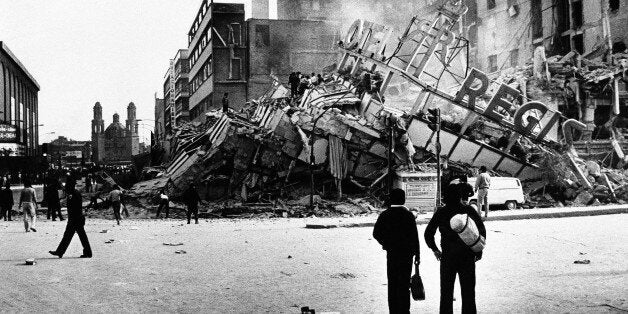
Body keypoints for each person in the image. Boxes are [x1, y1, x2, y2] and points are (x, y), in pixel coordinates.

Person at [424, 182, 486, 314]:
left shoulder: (441, 212)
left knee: (446, 293)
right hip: (467, 256)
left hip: (448, 258)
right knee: (468, 292)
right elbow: (482, 230)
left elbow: (428, 234)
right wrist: (478, 250)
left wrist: (435, 250)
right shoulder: (468, 210)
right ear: (459, 196)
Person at [373, 188, 421, 314]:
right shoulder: (408, 215)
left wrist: (386, 244)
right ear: (404, 199)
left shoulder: (385, 214)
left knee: (393, 284)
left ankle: (393, 310)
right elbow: (415, 237)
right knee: (404, 284)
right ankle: (405, 310)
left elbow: (376, 233)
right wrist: (417, 255)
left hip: (392, 254)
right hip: (407, 255)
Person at [49, 178, 92, 259]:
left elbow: (73, 208)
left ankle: (60, 252)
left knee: (71, 236)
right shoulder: (75, 193)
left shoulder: (73, 194)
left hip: (75, 219)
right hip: (77, 218)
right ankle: (60, 252)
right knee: (76, 236)